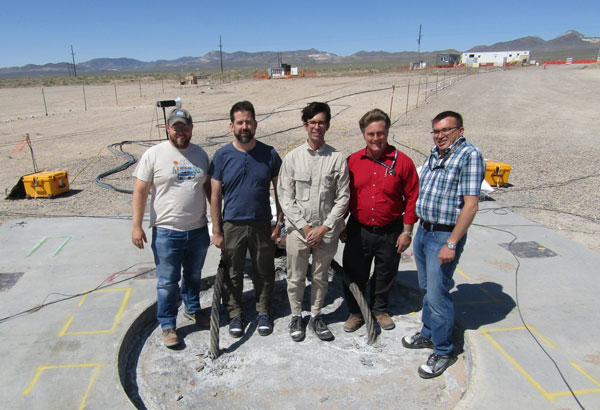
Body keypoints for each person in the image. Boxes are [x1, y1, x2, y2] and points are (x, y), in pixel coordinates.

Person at [402, 111, 485, 379]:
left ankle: (443, 349)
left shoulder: (469, 156)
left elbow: (470, 205)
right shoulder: (435, 155)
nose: (440, 135)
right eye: (436, 131)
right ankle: (428, 333)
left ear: (460, 130)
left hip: (444, 236)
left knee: (438, 294)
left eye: (445, 130)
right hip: (425, 231)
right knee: (427, 288)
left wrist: (452, 242)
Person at [132, 108, 211, 348]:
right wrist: (136, 225)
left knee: (194, 276)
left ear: (191, 127)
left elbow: (208, 189)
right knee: (167, 281)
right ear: (168, 127)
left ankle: (192, 309)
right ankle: (167, 324)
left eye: (184, 126)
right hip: (167, 232)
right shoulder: (154, 155)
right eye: (176, 127)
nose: (180, 131)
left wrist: (216, 221)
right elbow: (141, 191)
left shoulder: (200, 154)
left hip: (197, 230)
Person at [341, 109, 419, 332]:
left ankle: (380, 310)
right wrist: (341, 225)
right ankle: (356, 313)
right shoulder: (353, 161)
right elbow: (345, 196)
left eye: (380, 133)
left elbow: (413, 197)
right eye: (371, 134)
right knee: (355, 272)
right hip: (358, 229)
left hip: (390, 230)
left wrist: (407, 232)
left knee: (385, 272)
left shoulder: (403, 162)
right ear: (364, 135)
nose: (376, 139)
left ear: (387, 133)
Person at [210, 101, 284, 338]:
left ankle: (263, 311)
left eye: (248, 122)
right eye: (240, 122)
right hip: (232, 224)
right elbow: (214, 195)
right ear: (231, 125)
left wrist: (280, 223)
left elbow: (280, 190)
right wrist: (217, 231)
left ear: (255, 124)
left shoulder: (269, 154)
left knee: (265, 270)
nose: (245, 126)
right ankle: (235, 314)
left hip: (263, 223)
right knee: (233, 273)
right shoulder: (222, 156)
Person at [277, 102, 350, 342]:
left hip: (326, 233)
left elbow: (343, 198)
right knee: (296, 277)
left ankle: (317, 315)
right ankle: (296, 316)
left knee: (320, 277)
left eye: (321, 122)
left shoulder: (337, 159)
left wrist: (324, 228)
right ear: (305, 125)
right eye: (312, 122)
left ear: (327, 125)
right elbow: (285, 197)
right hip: (299, 232)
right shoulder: (292, 159)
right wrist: (307, 228)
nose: (316, 127)